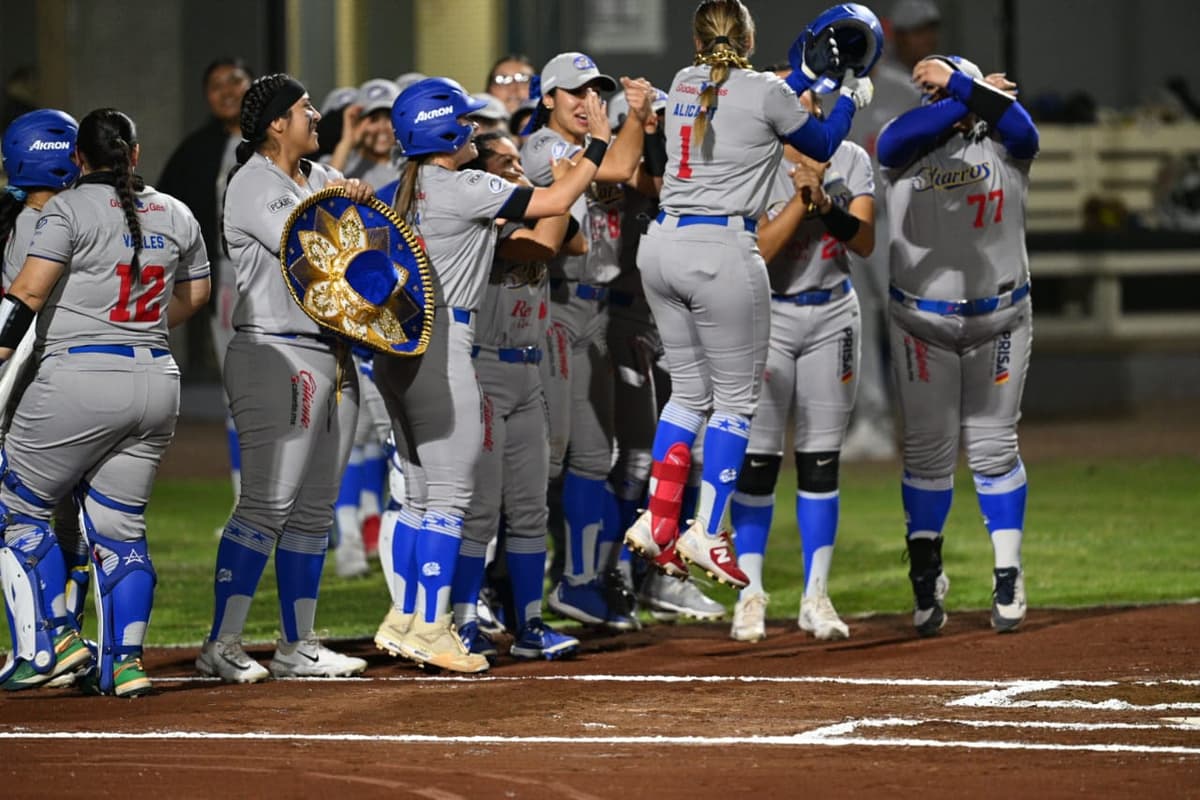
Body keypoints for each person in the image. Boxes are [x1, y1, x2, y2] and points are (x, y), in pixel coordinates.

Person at [623, 0, 873, 589]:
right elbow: (822, 136)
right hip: (720, 250)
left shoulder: (684, 81)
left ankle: (658, 522)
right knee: (734, 405)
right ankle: (706, 531)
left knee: (686, 396)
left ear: (696, 38)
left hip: (661, 247)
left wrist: (809, 78)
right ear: (750, 37)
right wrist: (847, 101)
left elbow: (742, 97)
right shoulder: (764, 90)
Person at [372, 77, 614, 672]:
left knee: (419, 500)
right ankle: (432, 627)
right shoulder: (464, 186)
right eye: (465, 122)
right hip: (446, 341)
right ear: (445, 131)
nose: (475, 130)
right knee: (452, 498)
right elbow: (557, 204)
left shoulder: (393, 191)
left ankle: (405, 617)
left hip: (395, 346)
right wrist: (601, 145)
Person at [0, 108, 211, 696]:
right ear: (135, 154)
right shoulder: (177, 211)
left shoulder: (64, 210)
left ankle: (54, 641)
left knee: (13, 504)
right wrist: (136, 329)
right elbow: (196, 295)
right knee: (120, 530)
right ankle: (124, 665)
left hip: (80, 377)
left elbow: (26, 295)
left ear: (79, 159)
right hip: (156, 378)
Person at [197, 73, 373, 682]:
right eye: (304, 109)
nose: (316, 116)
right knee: (267, 503)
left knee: (314, 510)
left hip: (333, 352)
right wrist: (347, 207)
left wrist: (348, 201)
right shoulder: (251, 182)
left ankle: (298, 644)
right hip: (275, 352)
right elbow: (317, 246)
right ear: (276, 123)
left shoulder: (318, 179)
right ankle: (221, 642)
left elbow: (373, 247)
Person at [875, 54, 1038, 636]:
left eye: (939, 87)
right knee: (927, 453)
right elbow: (895, 141)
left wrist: (965, 91)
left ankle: (1008, 572)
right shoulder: (907, 144)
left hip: (998, 318)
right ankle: (925, 575)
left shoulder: (1004, 137)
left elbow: (1025, 131)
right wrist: (966, 96)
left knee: (994, 448)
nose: (932, 96)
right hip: (924, 323)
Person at [728, 85, 876, 642]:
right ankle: (750, 594)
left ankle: (816, 595)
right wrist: (801, 200)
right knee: (759, 461)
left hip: (833, 311)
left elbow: (864, 241)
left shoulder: (852, 159)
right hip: (769, 313)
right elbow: (759, 251)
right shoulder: (753, 160)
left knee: (820, 460)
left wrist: (827, 203)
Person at [520, 51, 652, 631]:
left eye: (594, 92)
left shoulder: (591, 140)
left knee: (597, 457)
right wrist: (628, 121)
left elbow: (637, 175)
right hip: (555, 307)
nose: (585, 102)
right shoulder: (541, 149)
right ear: (547, 98)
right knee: (547, 461)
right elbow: (619, 169)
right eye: (574, 92)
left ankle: (581, 581)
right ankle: (511, 584)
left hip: (597, 311)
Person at [450, 130, 582, 661]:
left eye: (514, 161)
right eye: (501, 162)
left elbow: (577, 241)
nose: (513, 170)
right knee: (479, 510)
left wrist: (543, 191)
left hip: (528, 371)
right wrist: (560, 181)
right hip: (482, 368)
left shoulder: (524, 208)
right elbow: (546, 243)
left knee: (529, 507)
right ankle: (460, 622)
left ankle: (528, 622)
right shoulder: (480, 220)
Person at [0, 108, 90, 692]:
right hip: (105, 384)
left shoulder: (38, 225)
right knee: (74, 523)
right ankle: (82, 643)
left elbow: (18, 321)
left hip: (37, 394)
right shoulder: (99, 212)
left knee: (14, 515)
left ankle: (47, 642)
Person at [840, 0, 942, 461]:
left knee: (909, 325)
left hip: (899, 226)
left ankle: (922, 424)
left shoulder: (906, 91)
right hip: (849, 227)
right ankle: (871, 421)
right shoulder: (835, 95)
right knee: (858, 325)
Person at [157, 57, 253, 508]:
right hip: (228, 277)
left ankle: (326, 508)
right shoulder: (196, 150)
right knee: (240, 388)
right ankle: (246, 501)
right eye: (215, 85)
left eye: (234, 80)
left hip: (288, 277)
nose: (226, 91)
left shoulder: (281, 138)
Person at [324, 78, 403, 188]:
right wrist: (348, 141)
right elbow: (320, 193)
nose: (382, 128)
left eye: (389, 117)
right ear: (357, 122)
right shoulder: (337, 161)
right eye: (373, 119)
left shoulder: (409, 165)